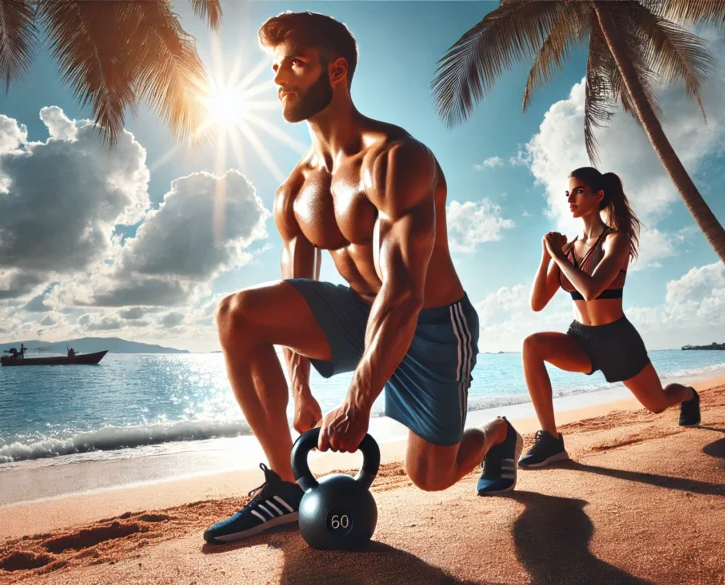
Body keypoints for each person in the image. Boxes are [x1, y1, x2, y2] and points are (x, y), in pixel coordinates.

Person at [203, 11, 522, 545]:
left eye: (296, 64)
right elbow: (295, 293)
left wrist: (357, 402)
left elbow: (403, 294)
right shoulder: (294, 191)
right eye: (276, 67)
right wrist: (299, 391)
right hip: (357, 311)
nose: (279, 78)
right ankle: (284, 485)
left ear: (337, 72)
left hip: (432, 323)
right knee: (238, 314)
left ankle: (497, 435)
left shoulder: (398, 159)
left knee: (431, 477)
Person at [515, 167, 700, 469]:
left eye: (578, 191)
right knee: (532, 345)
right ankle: (550, 440)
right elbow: (537, 303)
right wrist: (547, 256)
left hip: (618, 340)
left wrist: (558, 256)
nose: (571, 199)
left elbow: (590, 290)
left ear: (598, 196)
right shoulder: (568, 249)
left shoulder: (616, 241)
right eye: (568, 193)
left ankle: (688, 395)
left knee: (657, 404)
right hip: (581, 339)